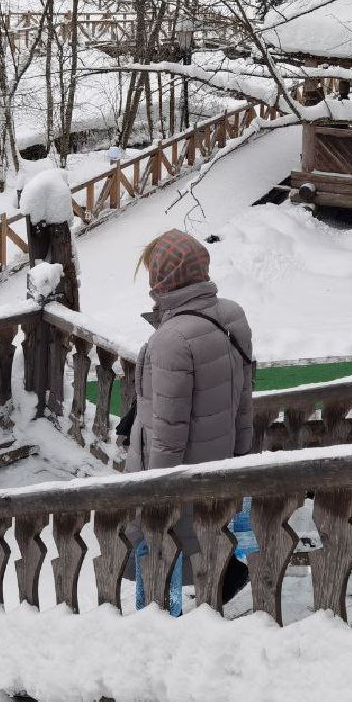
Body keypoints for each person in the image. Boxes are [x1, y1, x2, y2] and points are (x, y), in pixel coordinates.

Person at [124, 229, 256, 614]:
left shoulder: (172, 340)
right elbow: (244, 401)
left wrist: (152, 500)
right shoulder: (232, 315)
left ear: (162, 278)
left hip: (178, 480)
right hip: (218, 470)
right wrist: (240, 462)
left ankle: (164, 620)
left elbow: (167, 437)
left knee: (166, 556)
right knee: (211, 543)